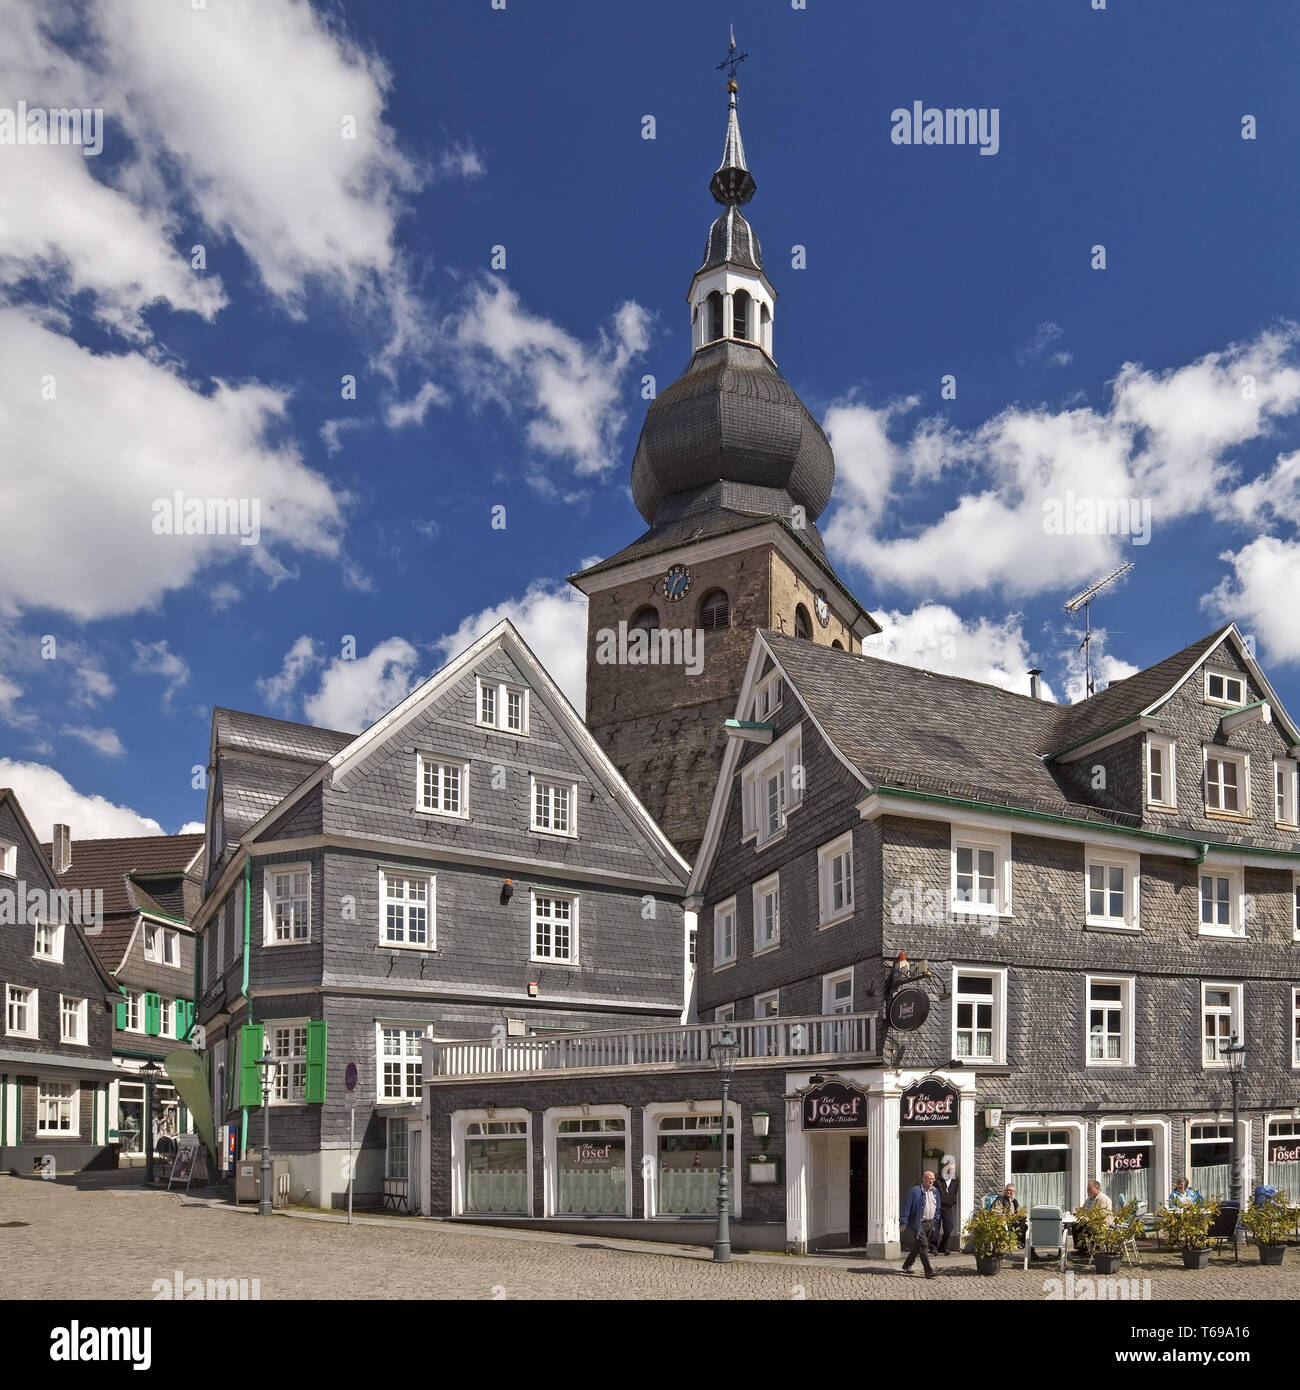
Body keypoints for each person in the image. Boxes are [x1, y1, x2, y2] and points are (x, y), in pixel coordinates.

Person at [900, 1169, 940, 1278]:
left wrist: (935, 1220)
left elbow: (938, 1208)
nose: (931, 1181)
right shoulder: (915, 1191)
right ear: (923, 1179)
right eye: (928, 1179)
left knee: (918, 1246)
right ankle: (929, 1271)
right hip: (919, 1224)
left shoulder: (935, 1192)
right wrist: (903, 1222)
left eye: (932, 1179)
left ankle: (907, 1265)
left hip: (930, 1224)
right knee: (924, 1246)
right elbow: (906, 1206)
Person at [1074, 1180, 1113, 1257]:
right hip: (1090, 1222)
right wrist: (1078, 1213)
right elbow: (1083, 1210)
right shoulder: (1089, 1199)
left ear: (1097, 1189)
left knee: (1084, 1227)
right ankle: (1080, 1249)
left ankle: (1090, 1250)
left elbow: (1103, 1215)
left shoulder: (1103, 1199)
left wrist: (1088, 1218)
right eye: (1087, 1188)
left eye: (1089, 1189)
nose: (1087, 1190)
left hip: (1102, 1224)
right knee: (1075, 1226)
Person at [935, 1157, 959, 1254]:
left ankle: (943, 1246)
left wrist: (952, 1200)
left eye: (953, 1169)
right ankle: (933, 1247)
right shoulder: (937, 1179)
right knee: (935, 1228)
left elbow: (955, 1192)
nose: (951, 1171)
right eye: (949, 1168)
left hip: (948, 1207)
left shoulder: (956, 1180)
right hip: (937, 1207)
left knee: (949, 1227)